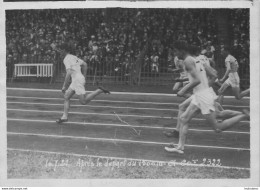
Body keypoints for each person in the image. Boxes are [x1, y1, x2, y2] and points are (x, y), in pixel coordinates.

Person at [164, 41, 249, 154]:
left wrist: (182, 90)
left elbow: (196, 80)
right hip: (201, 95)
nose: (175, 54)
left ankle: (244, 115)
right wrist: (204, 87)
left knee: (217, 127)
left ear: (181, 50)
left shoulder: (187, 61)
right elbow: (213, 74)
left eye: (175, 51)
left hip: (203, 96)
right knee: (184, 118)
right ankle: (180, 147)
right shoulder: (198, 59)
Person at [51, 43, 110, 123]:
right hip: (77, 79)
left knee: (83, 101)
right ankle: (64, 117)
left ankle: (99, 90)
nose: (60, 52)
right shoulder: (73, 57)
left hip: (77, 80)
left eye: (61, 50)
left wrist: (64, 86)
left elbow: (68, 73)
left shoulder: (66, 59)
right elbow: (85, 64)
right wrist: (83, 77)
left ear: (64, 50)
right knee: (66, 97)